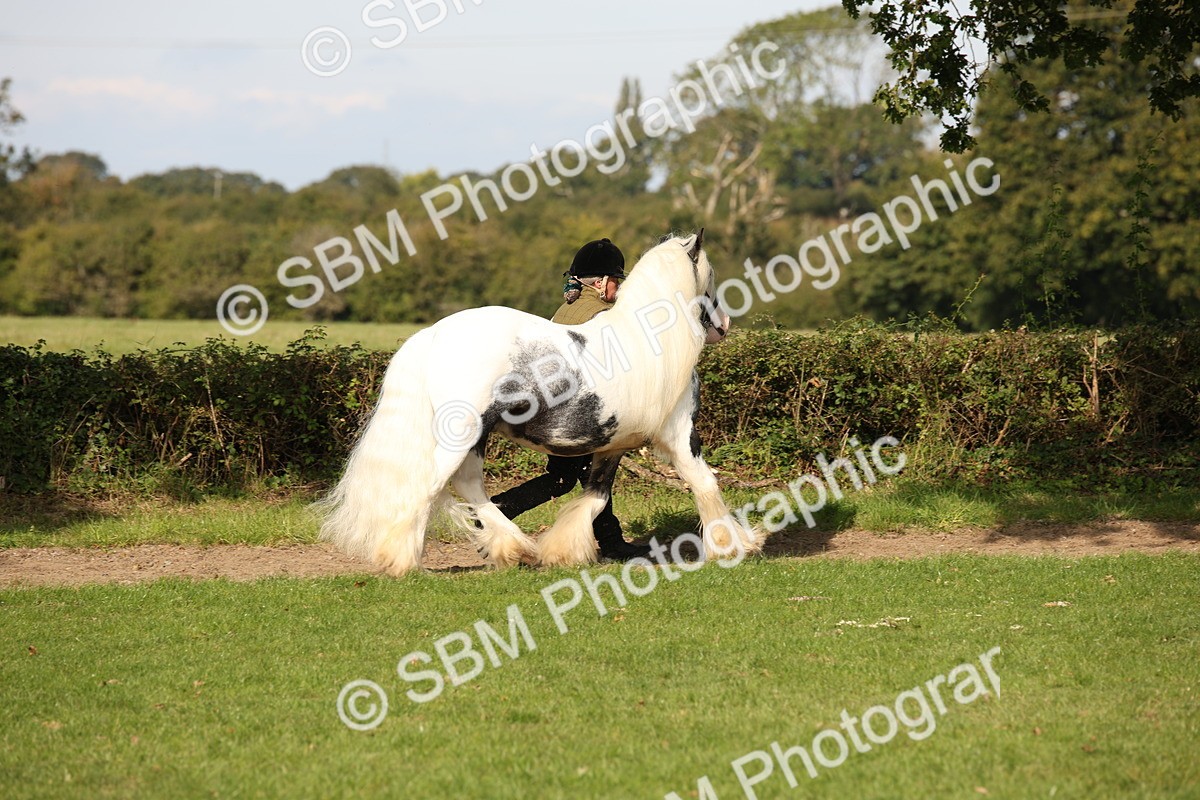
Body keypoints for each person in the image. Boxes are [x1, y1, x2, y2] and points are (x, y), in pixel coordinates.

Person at [489, 238, 651, 561]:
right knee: (594, 477)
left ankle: (498, 511)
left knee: (564, 479)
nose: (618, 288)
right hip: (577, 412)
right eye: (616, 281)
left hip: (553, 406)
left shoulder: (566, 308)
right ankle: (612, 543)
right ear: (603, 282)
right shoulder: (603, 315)